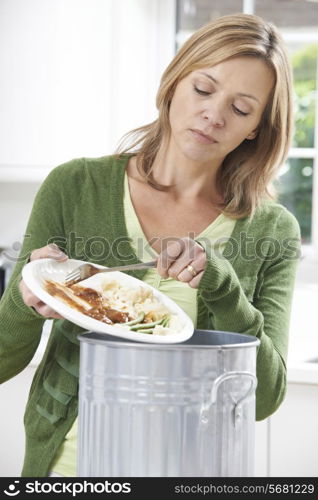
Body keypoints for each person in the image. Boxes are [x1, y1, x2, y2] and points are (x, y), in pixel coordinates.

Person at [0, 13, 301, 477]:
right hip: (69, 467)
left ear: (257, 128)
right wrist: (25, 300)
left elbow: (264, 399)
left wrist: (222, 288)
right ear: (174, 83)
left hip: (197, 471)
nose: (213, 115)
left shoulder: (272, 230)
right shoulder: (75, 186)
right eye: (203, 89)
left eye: (241, 109)